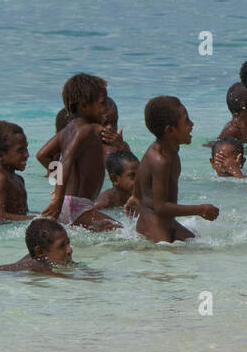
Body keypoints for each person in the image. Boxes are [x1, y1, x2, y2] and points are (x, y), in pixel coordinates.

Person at [35, 73, 121, 231]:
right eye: (103, 103)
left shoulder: (68, 130)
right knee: (122, 232)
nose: (106, 108)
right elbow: (66, 161)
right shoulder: (85, 131)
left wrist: (58, 186)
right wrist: (58, 199)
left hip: (70, 204)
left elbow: (42, 155)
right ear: (83, 106)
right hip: (78, 207)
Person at [134, 96, 219, 242]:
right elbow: (160, 207)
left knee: (198, 242)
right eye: (186, 121)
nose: (192, 124)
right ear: (170, 130)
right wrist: (199, 209)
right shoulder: (160, 160)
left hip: (168, 221)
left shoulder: (172, 149)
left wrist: (134, 195)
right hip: (153, 224)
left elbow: (141, 171)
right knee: (169, 257)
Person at [0, 218, 74, 274]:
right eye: (62, 246)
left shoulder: (45, 256)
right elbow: (67, 278)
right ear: (40, 252)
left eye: (68, 243)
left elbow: (80, 268)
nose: (70, 250)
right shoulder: (37, 265)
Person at [0, 121, 35, 222]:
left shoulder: (19, 179)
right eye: (20, 150)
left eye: (26, 148)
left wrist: (45, 214)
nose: (27, 154)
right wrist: (35, 218)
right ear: (0, 155)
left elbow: (24, 213)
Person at [93, 149, 140, 215]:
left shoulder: (139, 195)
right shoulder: (104, 203)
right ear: (114, 179)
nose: (138, 180)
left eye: (140, 174)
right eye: (132, 176)